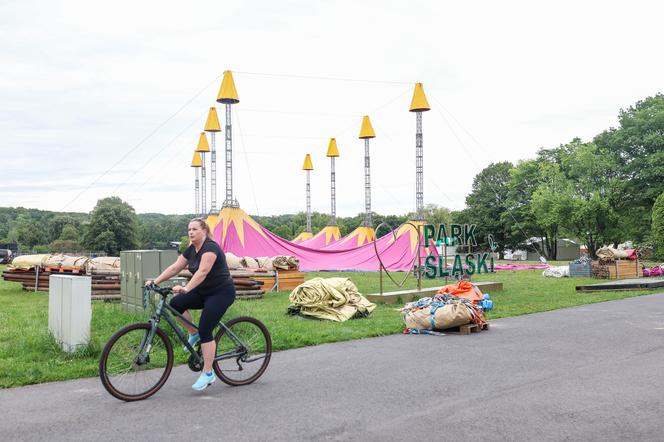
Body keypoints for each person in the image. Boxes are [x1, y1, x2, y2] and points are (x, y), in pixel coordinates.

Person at [147, 218, 235, 391]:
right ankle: (192, 332)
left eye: (194, 229)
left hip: (221, 293)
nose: (191, 232)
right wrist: (154, 281)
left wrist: (186, 288)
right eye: (189, 229)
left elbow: (202, 272)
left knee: (206, 329)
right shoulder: (191, 250)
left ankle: (208, 373)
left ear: (204, 230)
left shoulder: (211, 248)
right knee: (176, 304)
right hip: (203, 292)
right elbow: (174, 268)